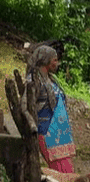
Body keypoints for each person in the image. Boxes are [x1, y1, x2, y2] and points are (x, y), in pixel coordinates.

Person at [26, 45, 76, 173]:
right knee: (61, 174)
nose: (57, 63)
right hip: (48, 131)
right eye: (55, 60)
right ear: (46, 60)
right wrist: (32, 124)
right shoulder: (35, 81)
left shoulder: (52, 80)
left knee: (69, 172)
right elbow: (24, 104)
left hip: (61, 135)